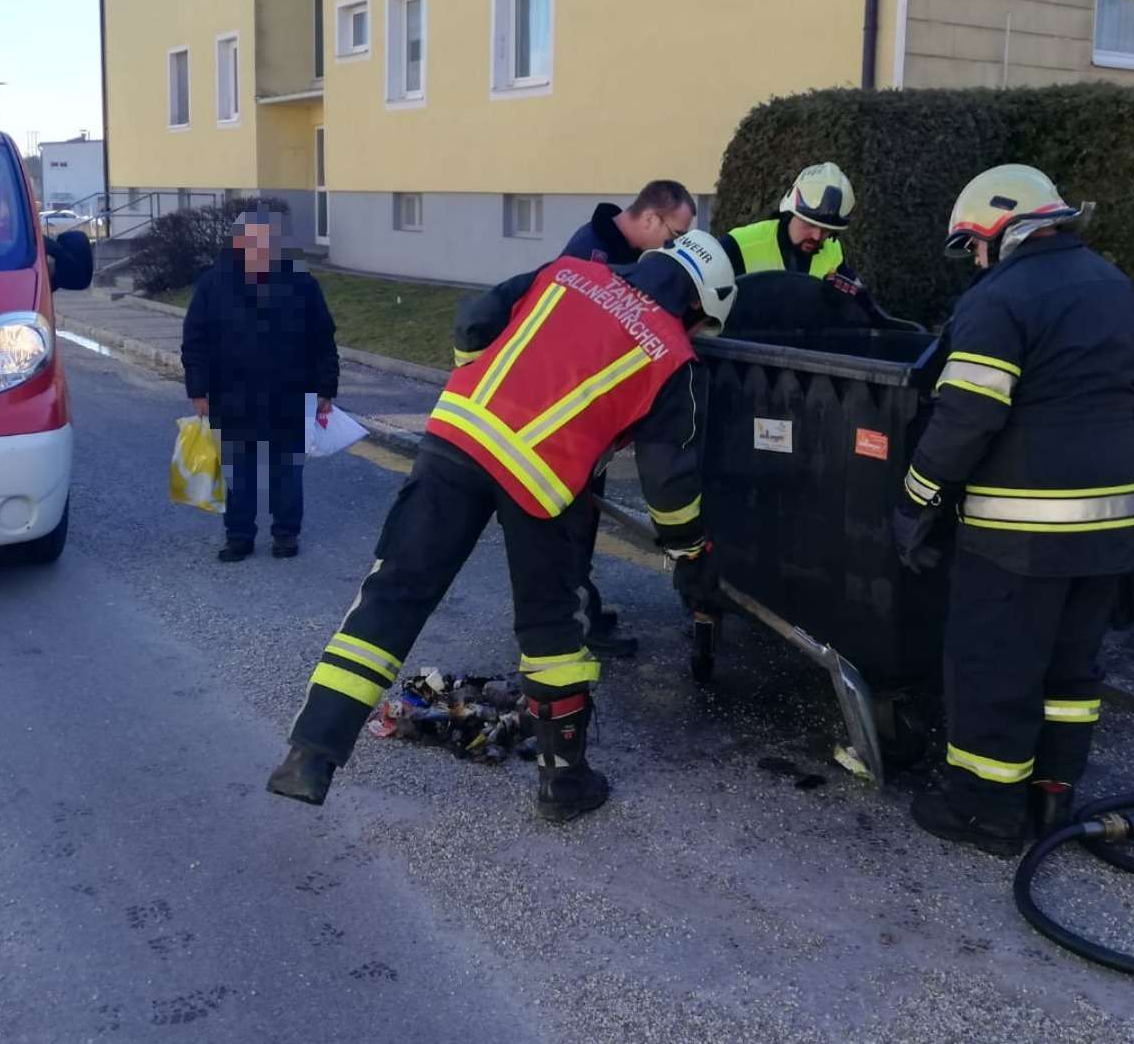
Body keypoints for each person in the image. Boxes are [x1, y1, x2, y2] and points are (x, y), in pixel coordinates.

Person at [266, 232, 736, 823]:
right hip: (544, 479)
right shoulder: (675, 356)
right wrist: (691, 550)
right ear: (699, 307)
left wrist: (484, 389)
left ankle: (310, 754)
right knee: (550, 630)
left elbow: (473, 323)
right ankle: (564, 782)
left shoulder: (567, 272)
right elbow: (669, 485)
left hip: (455, 441)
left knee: (393, 595)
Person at [892, 164, 1134, 858]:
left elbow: (966, 418)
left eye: (973, 246)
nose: (975, 261)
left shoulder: (1002, 297)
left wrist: (916, 500)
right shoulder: (1113, 285)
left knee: (992, 668)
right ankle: (1053, 793)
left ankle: (982, 809)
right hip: (1111, 528)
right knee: (1070, 674)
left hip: (1019, 536)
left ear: (999, 229)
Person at [554, 179, 698, 659]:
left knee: (584, 521)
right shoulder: (589, 252)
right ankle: (575, 625)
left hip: (589, 419)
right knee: (570, 528)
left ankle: (578, 607)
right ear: (652, 219)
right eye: (674, 235)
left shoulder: (622, 253)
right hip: (569, 418)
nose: (674, 249)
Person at [180, 207, 339, 562]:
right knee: (239, 472)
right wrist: (198, 390)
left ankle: (286, 534)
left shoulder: (301, 283)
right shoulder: (214, 283)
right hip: (231, 394)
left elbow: (323, 339)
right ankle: (239, 536)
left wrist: (326, 388)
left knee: (286, 470)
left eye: (266, 242)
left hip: (289, 392)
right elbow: (196, 340)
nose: (258, 249)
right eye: (250, 242)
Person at [720, 161, 865, 294]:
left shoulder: (832, 251)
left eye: (826, 230)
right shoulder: (738, 245)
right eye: (810, 224)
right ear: (790, 212)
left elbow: (859, 298)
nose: (817, 236)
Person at [561, 179, 696, 266]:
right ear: (650, 220)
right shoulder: (586, 253)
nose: (675, 245)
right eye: (675, 235)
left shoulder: (634, 255)